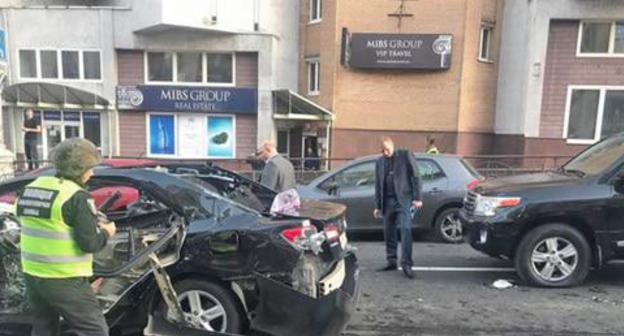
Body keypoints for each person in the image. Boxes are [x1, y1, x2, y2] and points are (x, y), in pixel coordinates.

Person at [16, 138, 116, 336]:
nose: (92, 172)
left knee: (45, 328)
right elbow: (89, 243)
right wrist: (107, 232)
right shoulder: (76, 196)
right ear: (78, 169)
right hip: (64, 278)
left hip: (33, 274)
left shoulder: (32, 187)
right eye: (90, 168)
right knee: (95, 330)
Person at [373, 136, 422, 279]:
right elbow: (378, 185)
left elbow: (416, 176)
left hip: (403, 200)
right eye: (382, 151)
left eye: (387, 150)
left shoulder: (405, 155)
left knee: (405, 230)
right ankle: (391, 260)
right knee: (389, 231)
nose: (385, 153)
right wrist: (377, 206)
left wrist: (417, 198)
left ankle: (407, 264)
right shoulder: (379, 162)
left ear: (392, 146)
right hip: (387, 202)